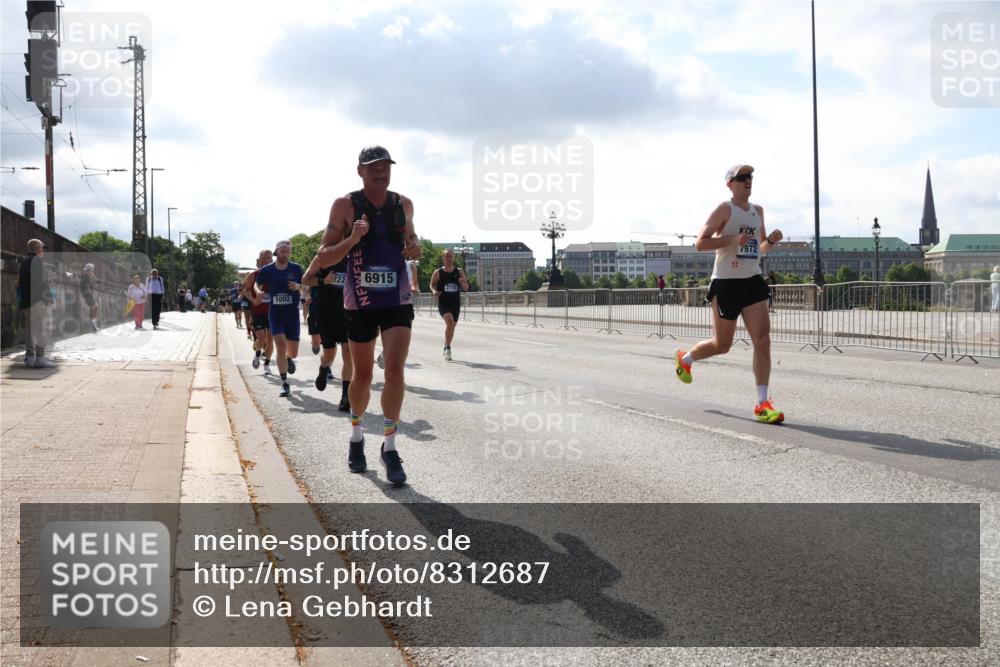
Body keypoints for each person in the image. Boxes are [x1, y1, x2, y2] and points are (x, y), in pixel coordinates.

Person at [307, 145, 421, 485]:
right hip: (360, 299)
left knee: (396, 371)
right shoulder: (345, 205)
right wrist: (353, 238)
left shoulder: (403, 204)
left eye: (386, 166)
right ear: (360, 171)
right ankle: (356, 436)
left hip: (396, 296)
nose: (381, 172)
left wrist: (415, 246)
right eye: (374, 167)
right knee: (363, 375)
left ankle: (389, 447)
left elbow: (412, 240)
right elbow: (324, 256)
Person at [674, 164, 785, 424]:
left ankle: (762, 403)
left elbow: (760, 247)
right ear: (730, 184)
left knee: (763, 340)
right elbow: (700, 243)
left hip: (751, 280)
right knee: (722, 345)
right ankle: (686, 358)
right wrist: (731, 239)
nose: (748, 181)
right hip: (726, 282)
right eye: (742, 178)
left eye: (750, 177)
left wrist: (772, 241)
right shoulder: (725, 209)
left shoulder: (758, 211)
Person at [302, 254, 353, 411]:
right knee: (329, 354)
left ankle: (346, 395)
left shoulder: (354, 257)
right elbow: (305, 280)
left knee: (348, 353)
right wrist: (324, 281)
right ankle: (324, 367)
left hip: (349, 312)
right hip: (327, 313)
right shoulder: (323, 257)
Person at [256, 240, 304, 397]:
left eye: (288, 251)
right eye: (283, 251)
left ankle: (289, 358)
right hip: (275, 314)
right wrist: (258, 291)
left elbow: (306, 286)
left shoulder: (296, 269)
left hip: (292, 315)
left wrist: (298, 287)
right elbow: (257, 283)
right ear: (277, 252)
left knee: (294, 352)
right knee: (281, 345)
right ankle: (284, 383)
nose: (285, 254)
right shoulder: (268, 270)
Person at [18, 239, 55, 368]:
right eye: (42, 248)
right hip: (38, 301)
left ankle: (30, 357)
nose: (43, 251)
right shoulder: (38, 261)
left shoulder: (24, 261)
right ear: (38, 248)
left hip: (26, 302)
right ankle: (40, 357)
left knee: (29, 330)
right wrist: (49, 298)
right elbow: (41, 282)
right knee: (45, 328)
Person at [430, 249, 469, 361]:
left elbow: (466, 288)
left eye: (451, 256)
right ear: (443, 257)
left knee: (452, 327)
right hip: (443, 303)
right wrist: (433, 291)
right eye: (447, 256)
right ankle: (447, 349)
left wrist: (463, 283)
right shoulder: (438, 272)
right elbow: (432, 285)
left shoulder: (459, 271)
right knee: (450, 322)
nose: (449, 258)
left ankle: (446, 345)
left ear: (454, 257)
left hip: (455, 303)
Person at [244, 250, 275, 376]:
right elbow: (245, 291)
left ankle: (267, 365)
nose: (267, 260)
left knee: (270, 340)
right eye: (264, 257)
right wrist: (253, 300)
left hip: (272, 312)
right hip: (257, 312)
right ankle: (257, 355)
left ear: (272, 259)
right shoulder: (253, 275)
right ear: (259, 259)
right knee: (261, 340)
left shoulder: (275, 274)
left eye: (269, 257)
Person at [81, 263, 99, 332]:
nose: (93, 271)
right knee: (94, 307)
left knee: (94, 308)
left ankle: (93, 324)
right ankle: (92, 324)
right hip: (87, 294)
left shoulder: (88, 276)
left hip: (89, 293)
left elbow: (96, 282)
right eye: (92, 270)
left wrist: (93, 277)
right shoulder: (84, 276)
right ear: (88, 270)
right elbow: (85, 285)